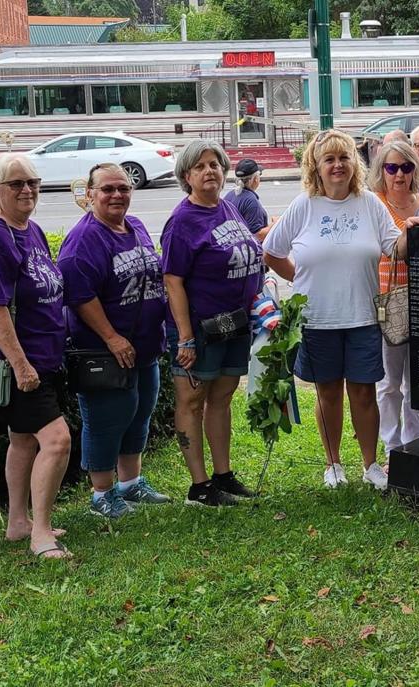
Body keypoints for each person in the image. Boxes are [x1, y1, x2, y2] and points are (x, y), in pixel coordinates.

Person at [263, 130, 418, 489]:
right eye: (329, 159)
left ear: (354, 163)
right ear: (316, 166)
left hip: (363, 317)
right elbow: (271, 251)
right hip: (317, 320)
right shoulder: (305, 204)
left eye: (344, 158)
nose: (337, 165)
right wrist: (299, 278)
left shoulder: (369, 203)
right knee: (328, 393)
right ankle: (333, 465)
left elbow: (395, 248)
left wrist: (410, 228)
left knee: (364, 392)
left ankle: (370, 465)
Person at [0, 153, 72, 559]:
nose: (27, 190)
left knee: (24, 440)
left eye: (32, 182)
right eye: (16, 184)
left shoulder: (31, 230)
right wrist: (20, 364)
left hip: (44, 356)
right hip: (21, 363)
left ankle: (18, 522)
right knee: (57, 440)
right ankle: (42, 534)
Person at [58, 162, 171, 518]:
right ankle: (102, 494)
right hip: (104, 351)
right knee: (107, 420)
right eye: (107, 189)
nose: (117, 195)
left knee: (138, 414)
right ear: (90, 194)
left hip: (144, 347)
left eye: (123, 188)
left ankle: (130, 483)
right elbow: (79, 294)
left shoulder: (134, 226)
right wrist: (112, 337)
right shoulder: (84, 239)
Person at [162, 141, 263, 507]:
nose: (209, 171)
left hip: (232, 324)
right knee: (192, 400)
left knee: (221, 397)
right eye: (200, 166)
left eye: (215, 165)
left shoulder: (228, 209)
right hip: (198, 329)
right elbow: (172, 280)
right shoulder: (182, 222)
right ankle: (199, 486)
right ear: (186, 176)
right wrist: (185, 338)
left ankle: (223, 475)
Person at [368, 140, 419, 457]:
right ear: (382, 171)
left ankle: (416, 441)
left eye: (406, 167)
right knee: (389, 383)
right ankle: (392, 445)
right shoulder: (375, 204)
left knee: (416, 381)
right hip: (389, 304)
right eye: (392, 168)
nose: (399, 175)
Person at [224, 158, 272, 242]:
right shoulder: (251, 201)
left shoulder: (230, 195)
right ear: (255, 179)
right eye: (259, 175)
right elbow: (257, 235)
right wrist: (274, 225)